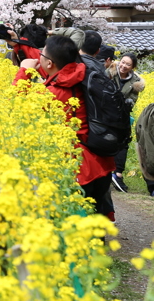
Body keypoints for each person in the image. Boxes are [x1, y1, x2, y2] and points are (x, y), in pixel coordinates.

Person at [18, 35, 116, 220]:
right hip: (100, 163)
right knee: (94, 224)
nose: (39, 56)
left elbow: (16, 105)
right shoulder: (78, 74)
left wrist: (24, 71)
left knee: (75, 228)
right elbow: (53, 67)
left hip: (78, 169)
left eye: (41, 54)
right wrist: (19, 44)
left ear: (49, 63)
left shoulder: (55, 93)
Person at [107, 52, 145, 192]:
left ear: (133, 67)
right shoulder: (109, 72)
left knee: (123, 143)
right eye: (122, 62)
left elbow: (133, 100)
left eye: (128, 64)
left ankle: (117, 174)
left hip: (122, 115)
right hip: (104, 113)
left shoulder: (136, 82)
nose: (123, 66)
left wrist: (127, 103)